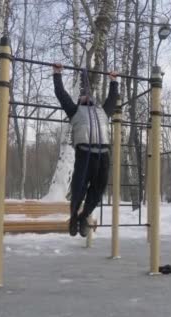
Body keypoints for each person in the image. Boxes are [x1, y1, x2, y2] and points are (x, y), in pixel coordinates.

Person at [53, 64, 119, 237]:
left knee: (99, 188)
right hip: (84, 154)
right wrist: (57, 74)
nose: (86, 97)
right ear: (80, 100)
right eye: (83, 96)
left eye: (88, 95)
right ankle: (74, 216)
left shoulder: (103, 112)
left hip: (103, 155)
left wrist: (113, 81)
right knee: (79, 188)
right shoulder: (74, 111)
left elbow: (112, 99)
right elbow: (61, 95)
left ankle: (83, 216)